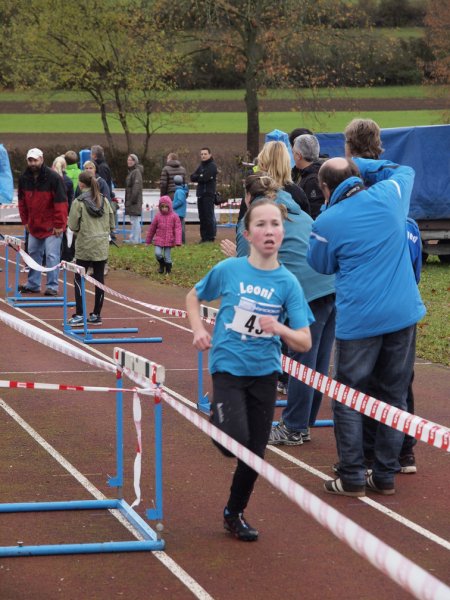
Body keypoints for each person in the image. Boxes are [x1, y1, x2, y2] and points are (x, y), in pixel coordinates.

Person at [186, 198, 313, 541]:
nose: (269, 231)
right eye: (261, 225)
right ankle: (220, 417)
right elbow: (193, 297)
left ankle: (234, 513)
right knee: (232, 444)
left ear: (283, 233)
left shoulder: (288, 283)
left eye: (275, 224)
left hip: (265, 372)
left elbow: (304, 341)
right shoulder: (230, 270)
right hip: (228, 366)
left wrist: (280, 328)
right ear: (247, 234)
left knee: (254, 454)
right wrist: (198, 330)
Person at [307, 157, 426, 497]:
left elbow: (320, 264)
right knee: (393, 396)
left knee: (348, 397)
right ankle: (385, 475)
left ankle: (352, 476)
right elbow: (406, 170)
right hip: (402, 314)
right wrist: (363, 163)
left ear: (325, 188)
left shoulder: (327, 221)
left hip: (359, 321)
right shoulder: (390, 195)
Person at [223, 173, 336, 446]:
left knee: (301, 364)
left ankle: (295, 427)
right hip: (331, 286)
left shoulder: (253, 219)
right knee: (316, 362)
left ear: (248, 197)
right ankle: (302, 424)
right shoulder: (298, 212)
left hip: (306, 293)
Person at [344, 118, 420, 475]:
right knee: (397, 383)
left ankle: (370, 456)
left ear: (349, 147)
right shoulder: (399, 198)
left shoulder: (352, 201)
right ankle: (401, 453)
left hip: (367, 308)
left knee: (366, 385)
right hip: (402, 305)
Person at [67, 170, 115, 327]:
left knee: (79, 278)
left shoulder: (79, 202)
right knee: (99, 279)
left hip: (85, 245)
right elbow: (112, 223)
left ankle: (80, 314)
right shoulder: (104, 200)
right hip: (101, 245)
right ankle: (96, 314)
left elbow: (72, 225)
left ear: (81, 184)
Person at [18, 147, 67, 296]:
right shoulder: (23, 178)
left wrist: (59, 224)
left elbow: (61, 203)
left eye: (35, 160)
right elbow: (22, 202)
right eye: (30, 160)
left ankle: (52, 286)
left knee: (52, 256)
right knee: (33, 254)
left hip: (52, 226)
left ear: (42, 159)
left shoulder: (54, 178)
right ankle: (33, 283)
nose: (33, 163)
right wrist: (25, 221)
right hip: (34, 225)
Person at [257, 141, 311, 215]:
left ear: (262, 161)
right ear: (287, 162)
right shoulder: (298, 193)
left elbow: (243, 220)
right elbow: (307, 220)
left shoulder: (255, 191)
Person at [145, 195, 182, 274]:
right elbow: (152, 229)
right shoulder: (157, 216)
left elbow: (178, 229)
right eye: (162, 206)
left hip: (169, 240)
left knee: (167, 256)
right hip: (159, 239)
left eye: (166, 206)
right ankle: (162, 264)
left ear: (169, 206)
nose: (164, 208)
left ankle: (168, 270)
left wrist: (178, 241)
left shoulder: (175, 216)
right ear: (160, 207)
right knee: (157, 253)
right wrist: (148, 240)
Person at [292, 134, 325, 219]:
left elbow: (313, 213)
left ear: (299, 156)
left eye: (293, 152)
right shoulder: (301, 173)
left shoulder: (313, 180)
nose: (292, 156)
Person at [190, 147, 218, 243]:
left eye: (205, 154)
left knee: (208, 216)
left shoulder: (212, 166)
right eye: (201, 154)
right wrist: (200, 176)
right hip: (200, 194)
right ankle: (204, 237)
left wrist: (200, 176)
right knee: (202, 217)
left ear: (210, 155)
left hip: (208, 194)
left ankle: (210, 237)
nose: (203, 156)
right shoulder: (201, 166)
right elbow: (192, 177)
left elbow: (205, 178)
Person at [52, 155, 75, 262]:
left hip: (52, 212)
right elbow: (70, 199)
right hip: (65, 211)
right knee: (65, 235)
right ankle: (66, 257)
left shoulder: (50, 179)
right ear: (65, 166)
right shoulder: (68, 181)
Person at [124, 153, 143, 244]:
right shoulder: (132, 172)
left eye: (131, 160)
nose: (129, 161)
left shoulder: (136, 172)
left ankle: (135, 240)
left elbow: (136, 187)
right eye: (128, 160)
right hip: (132, 200)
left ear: (135, 161)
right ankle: (134, 238)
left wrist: (132, 200)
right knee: (134, 220)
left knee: (135, 220)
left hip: (134, 201)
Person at [172, 174, 189, 244]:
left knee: (179, 228)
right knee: (180, 227)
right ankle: (180, 241)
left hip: (178, 213)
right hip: (180, 213)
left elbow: (180, 201)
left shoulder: (179, 191)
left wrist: (172, 206)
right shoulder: (181, 190)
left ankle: (181, 241)